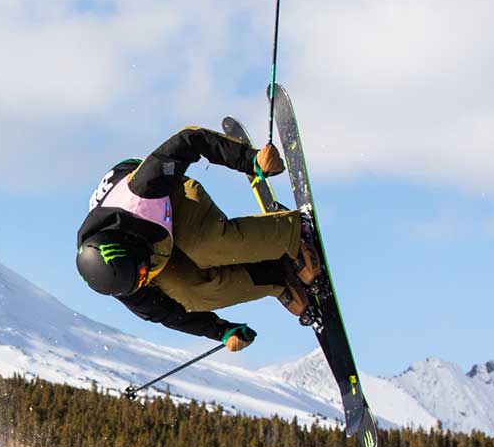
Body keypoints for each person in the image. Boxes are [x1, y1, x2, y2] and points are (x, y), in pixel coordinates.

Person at [75, 127, 318, 352]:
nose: (143, 277)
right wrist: (220, 330)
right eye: (140, 280)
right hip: (153, 240)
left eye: (141, 273)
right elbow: (167, 313)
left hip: (168, 199)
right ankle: (277, 275)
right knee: (190, 294)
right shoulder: (119, 281)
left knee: (205, 246)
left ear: (132, 248)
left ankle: (294, 231)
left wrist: (249, 160)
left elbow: (191, 139)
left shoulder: (142, 190)